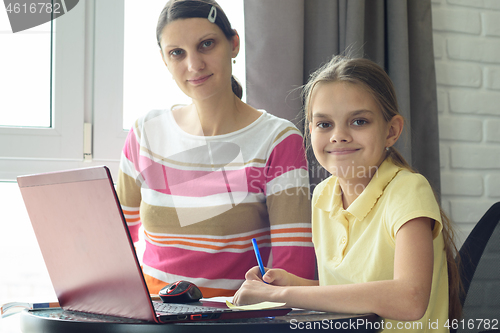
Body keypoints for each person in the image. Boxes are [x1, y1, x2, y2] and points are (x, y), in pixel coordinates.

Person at [233, 56, 462, 332]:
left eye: (359, 121)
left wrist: (279, 296)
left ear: (391, 131)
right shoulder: (322, 196)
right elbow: (348, 293)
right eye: (325, 124)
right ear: (310, 131)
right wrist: (293, 284)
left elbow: (409, 299)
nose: (338, 135)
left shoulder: (408, 190)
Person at [116, 0, 315, 298]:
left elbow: (294, 270)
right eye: (177, 53)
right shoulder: (146, 132)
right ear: (164, 59)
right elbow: (114, 242)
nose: (194, 65)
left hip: (232, 317)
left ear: (233, 44)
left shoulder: (278, 139)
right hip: (151, 312)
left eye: (206, 44)